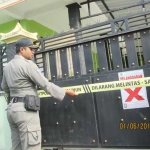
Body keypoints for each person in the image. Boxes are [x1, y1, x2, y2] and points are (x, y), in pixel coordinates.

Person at [1, 38, 78, 150]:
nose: (33, 52)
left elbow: (4, 87)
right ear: (22, 49)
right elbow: (45, 84)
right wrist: (65, 92)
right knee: (32, 146)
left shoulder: (7, 67)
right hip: (25, 111)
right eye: (31, 49)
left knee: (17, 146)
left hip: (12, 110)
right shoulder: (28, 65)